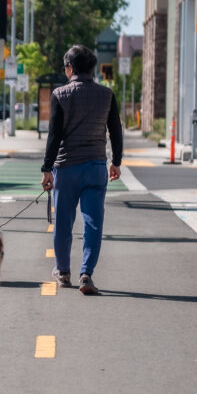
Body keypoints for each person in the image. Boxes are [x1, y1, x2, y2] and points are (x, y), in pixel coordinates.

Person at [40, 45, 123, 295]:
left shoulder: (60, 94)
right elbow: (116, 131)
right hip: (96, 167)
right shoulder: (107, 95)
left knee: (64, 222)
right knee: (93, 223)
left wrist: (47, 169)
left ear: (70, 69)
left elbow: (54, 136)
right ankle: (86, 274)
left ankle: (63, 272)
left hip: (66, 168)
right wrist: (116, 161)